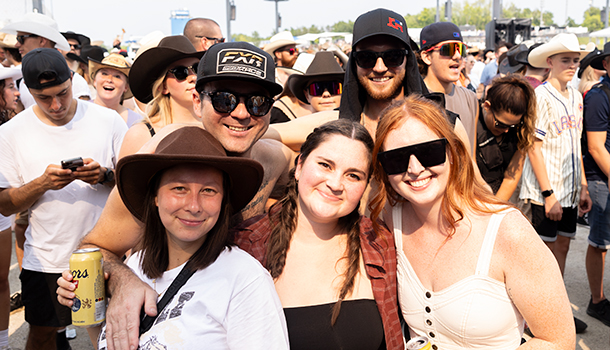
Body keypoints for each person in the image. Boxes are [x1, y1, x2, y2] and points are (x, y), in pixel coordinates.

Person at [56, 41, 293, 350]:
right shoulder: (163, 161)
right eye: (224, 100)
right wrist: (125, 282)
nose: (241, 113)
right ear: (197, 101)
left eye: (258, 102)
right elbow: (96, 247)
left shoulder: (272, 160)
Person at [370, 94, 575, 349]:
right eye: (396, 159)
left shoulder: (508, 232)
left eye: (428, 151)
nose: (414, 168)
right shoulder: (390, 218)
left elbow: (558, 340)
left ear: (453, 152)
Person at [88, 126, 289, 349]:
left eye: (209, 191)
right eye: (179, 188)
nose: (194, 206)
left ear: (223, 201)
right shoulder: (135, 266)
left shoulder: (244, 279)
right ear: (155, 196)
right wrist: (88, 309)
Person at [232, 119, 403, 349]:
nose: (335, 183)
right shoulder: (244, 244)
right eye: (325, 165)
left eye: (353, 175)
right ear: (300, 165)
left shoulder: (380, 243)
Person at [0, 48, 127, 350]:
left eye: (63, 93)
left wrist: (104, 175)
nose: (56, 105)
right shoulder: (10, 133)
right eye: (44, 98)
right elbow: (5, 204)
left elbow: (135, 184)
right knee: (44, 332)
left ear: (73, 79)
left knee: (117, 333)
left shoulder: (108, 121)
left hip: (108, 252)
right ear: (28, 92)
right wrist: (42, 184)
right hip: (45, 259)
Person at [519, 33, 592, 334]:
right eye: (566, 60)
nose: (572, 65)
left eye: (575, 60)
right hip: (545, 192)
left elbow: (575, 143)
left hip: (571, 190)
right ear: (549, 62)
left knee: (562, 248)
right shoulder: (541, 96)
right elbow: (533, 146)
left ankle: (555, 309)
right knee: (543, 256)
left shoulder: (576, 96)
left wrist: (584, 185)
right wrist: (549, 194)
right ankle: (536, 318)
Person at [118, 35, 204, 158]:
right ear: (163, 87)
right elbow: (124, 177)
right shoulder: (141, 134)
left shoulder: (217, 128)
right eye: (180, 72)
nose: (193, 77)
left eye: (197, 68)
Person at [0, 12, 91, 108]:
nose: (17, 45)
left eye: (21, 39)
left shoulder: (76, 83)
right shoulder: (23, 81)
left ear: (42, 41)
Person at [582, 42, 610, 327]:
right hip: (602, 178)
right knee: (600, 242)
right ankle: (597, 300)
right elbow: (596, 146)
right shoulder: (599, 97)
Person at [419, 22, 478, 153]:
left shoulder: (471, 98)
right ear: (426, 57)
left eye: (461, 49)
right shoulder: (414, 101)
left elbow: (471, 158)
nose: (457, 56)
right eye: (448, 49)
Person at [476, 75, 537, 201]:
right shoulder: (471, 120)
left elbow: (511, 178)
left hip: (498, 199)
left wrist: (495, 208)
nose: (506, 130)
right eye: (501, 124)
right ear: (487, 106)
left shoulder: (521, 131)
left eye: (512, 125)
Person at [0, 64, 21, 350]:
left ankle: (2, 343)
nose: (17, 93)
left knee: (1, 279)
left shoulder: (10, 125)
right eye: (10, 86)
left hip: (1, 212)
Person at [88, 53, 141, 127]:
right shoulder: (79, 111)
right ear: (94, 81)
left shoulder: (137, 122)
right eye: (104, 74)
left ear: (126, 87)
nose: (109, 80)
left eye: (117, 76)